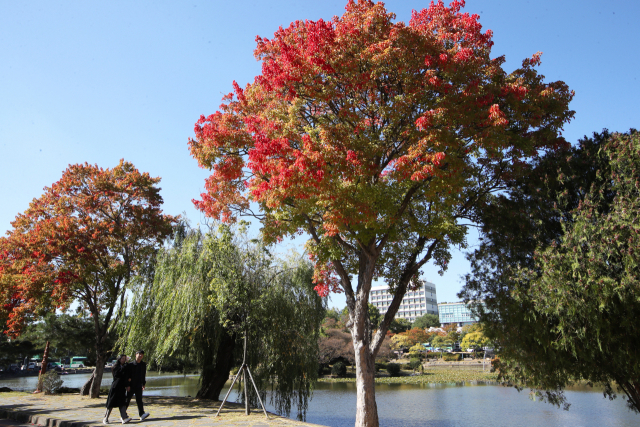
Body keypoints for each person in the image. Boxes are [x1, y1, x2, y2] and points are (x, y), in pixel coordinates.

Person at [103, 355, 132, 424]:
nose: (124, 360)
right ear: (119, 359)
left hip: (122, 387)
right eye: (122, 358)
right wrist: (126, 365)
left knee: (122, 403)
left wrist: (128, 383)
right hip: (115, 387)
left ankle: (124, 418)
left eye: (125, 359)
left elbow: (127, 375)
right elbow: (118, 374)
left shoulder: (125, 367)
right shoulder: (115, 367)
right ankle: (106, 418)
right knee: (111, 403)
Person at [126, 350, 150, 421]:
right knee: (127, 400)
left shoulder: (143, 365)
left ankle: (142, 414)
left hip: (139, 385)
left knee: (139, 400)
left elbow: (143, 375)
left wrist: (143, 384)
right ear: (136, 355)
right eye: (139, 354)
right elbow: (127, 376)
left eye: (142, 354)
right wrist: (127, 385)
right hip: (131, 385)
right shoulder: (131, 365)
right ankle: (123, 414)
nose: (140, 356)